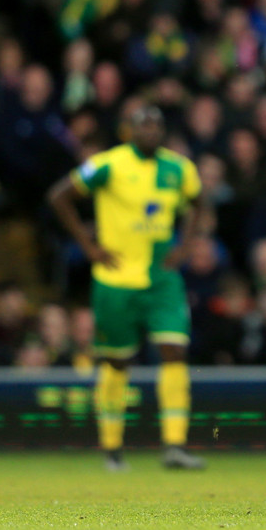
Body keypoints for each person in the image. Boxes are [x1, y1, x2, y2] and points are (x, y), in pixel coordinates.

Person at [48, 106, 207, 471]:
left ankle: (175, 444)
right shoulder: (108, 164)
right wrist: (89, 246)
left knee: (174, 351)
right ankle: (112, 447)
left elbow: (199, 203)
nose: (150, 131)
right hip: (116, 278)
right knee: (117, 361)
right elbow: (59, 196)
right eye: (143, 125)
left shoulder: (179, 168)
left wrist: (185, 246)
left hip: (161, 277)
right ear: (129, 130)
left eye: (156, 125)